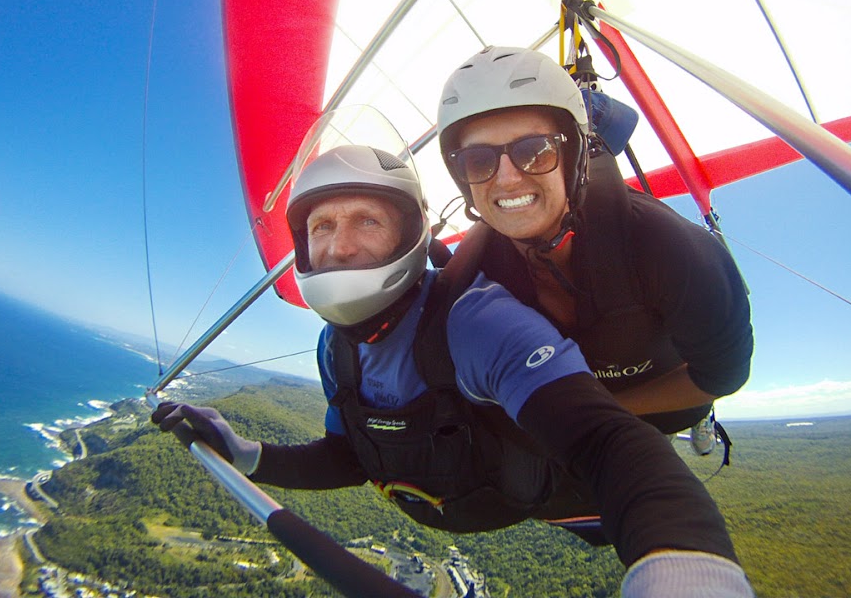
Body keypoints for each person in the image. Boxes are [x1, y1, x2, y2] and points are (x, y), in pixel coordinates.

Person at [153, 118, 754, 598]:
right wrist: (248, 456)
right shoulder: (336, 345)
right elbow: (351, 456)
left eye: (367, 220)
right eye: (321, 226)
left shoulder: (476, 321)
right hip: (456, 499)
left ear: (410, 233)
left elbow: (611, 443)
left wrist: (687, 569)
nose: (339, 245)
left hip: (537, 501)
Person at [437, 46, 754, 453]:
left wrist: (600, 413)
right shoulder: (472, 271)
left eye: (535, 151)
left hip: (671, 406)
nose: (508, 179)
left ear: (574, 159)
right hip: (569, 420)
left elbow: (724, 375)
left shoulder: (671, 248)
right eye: (478, 160)